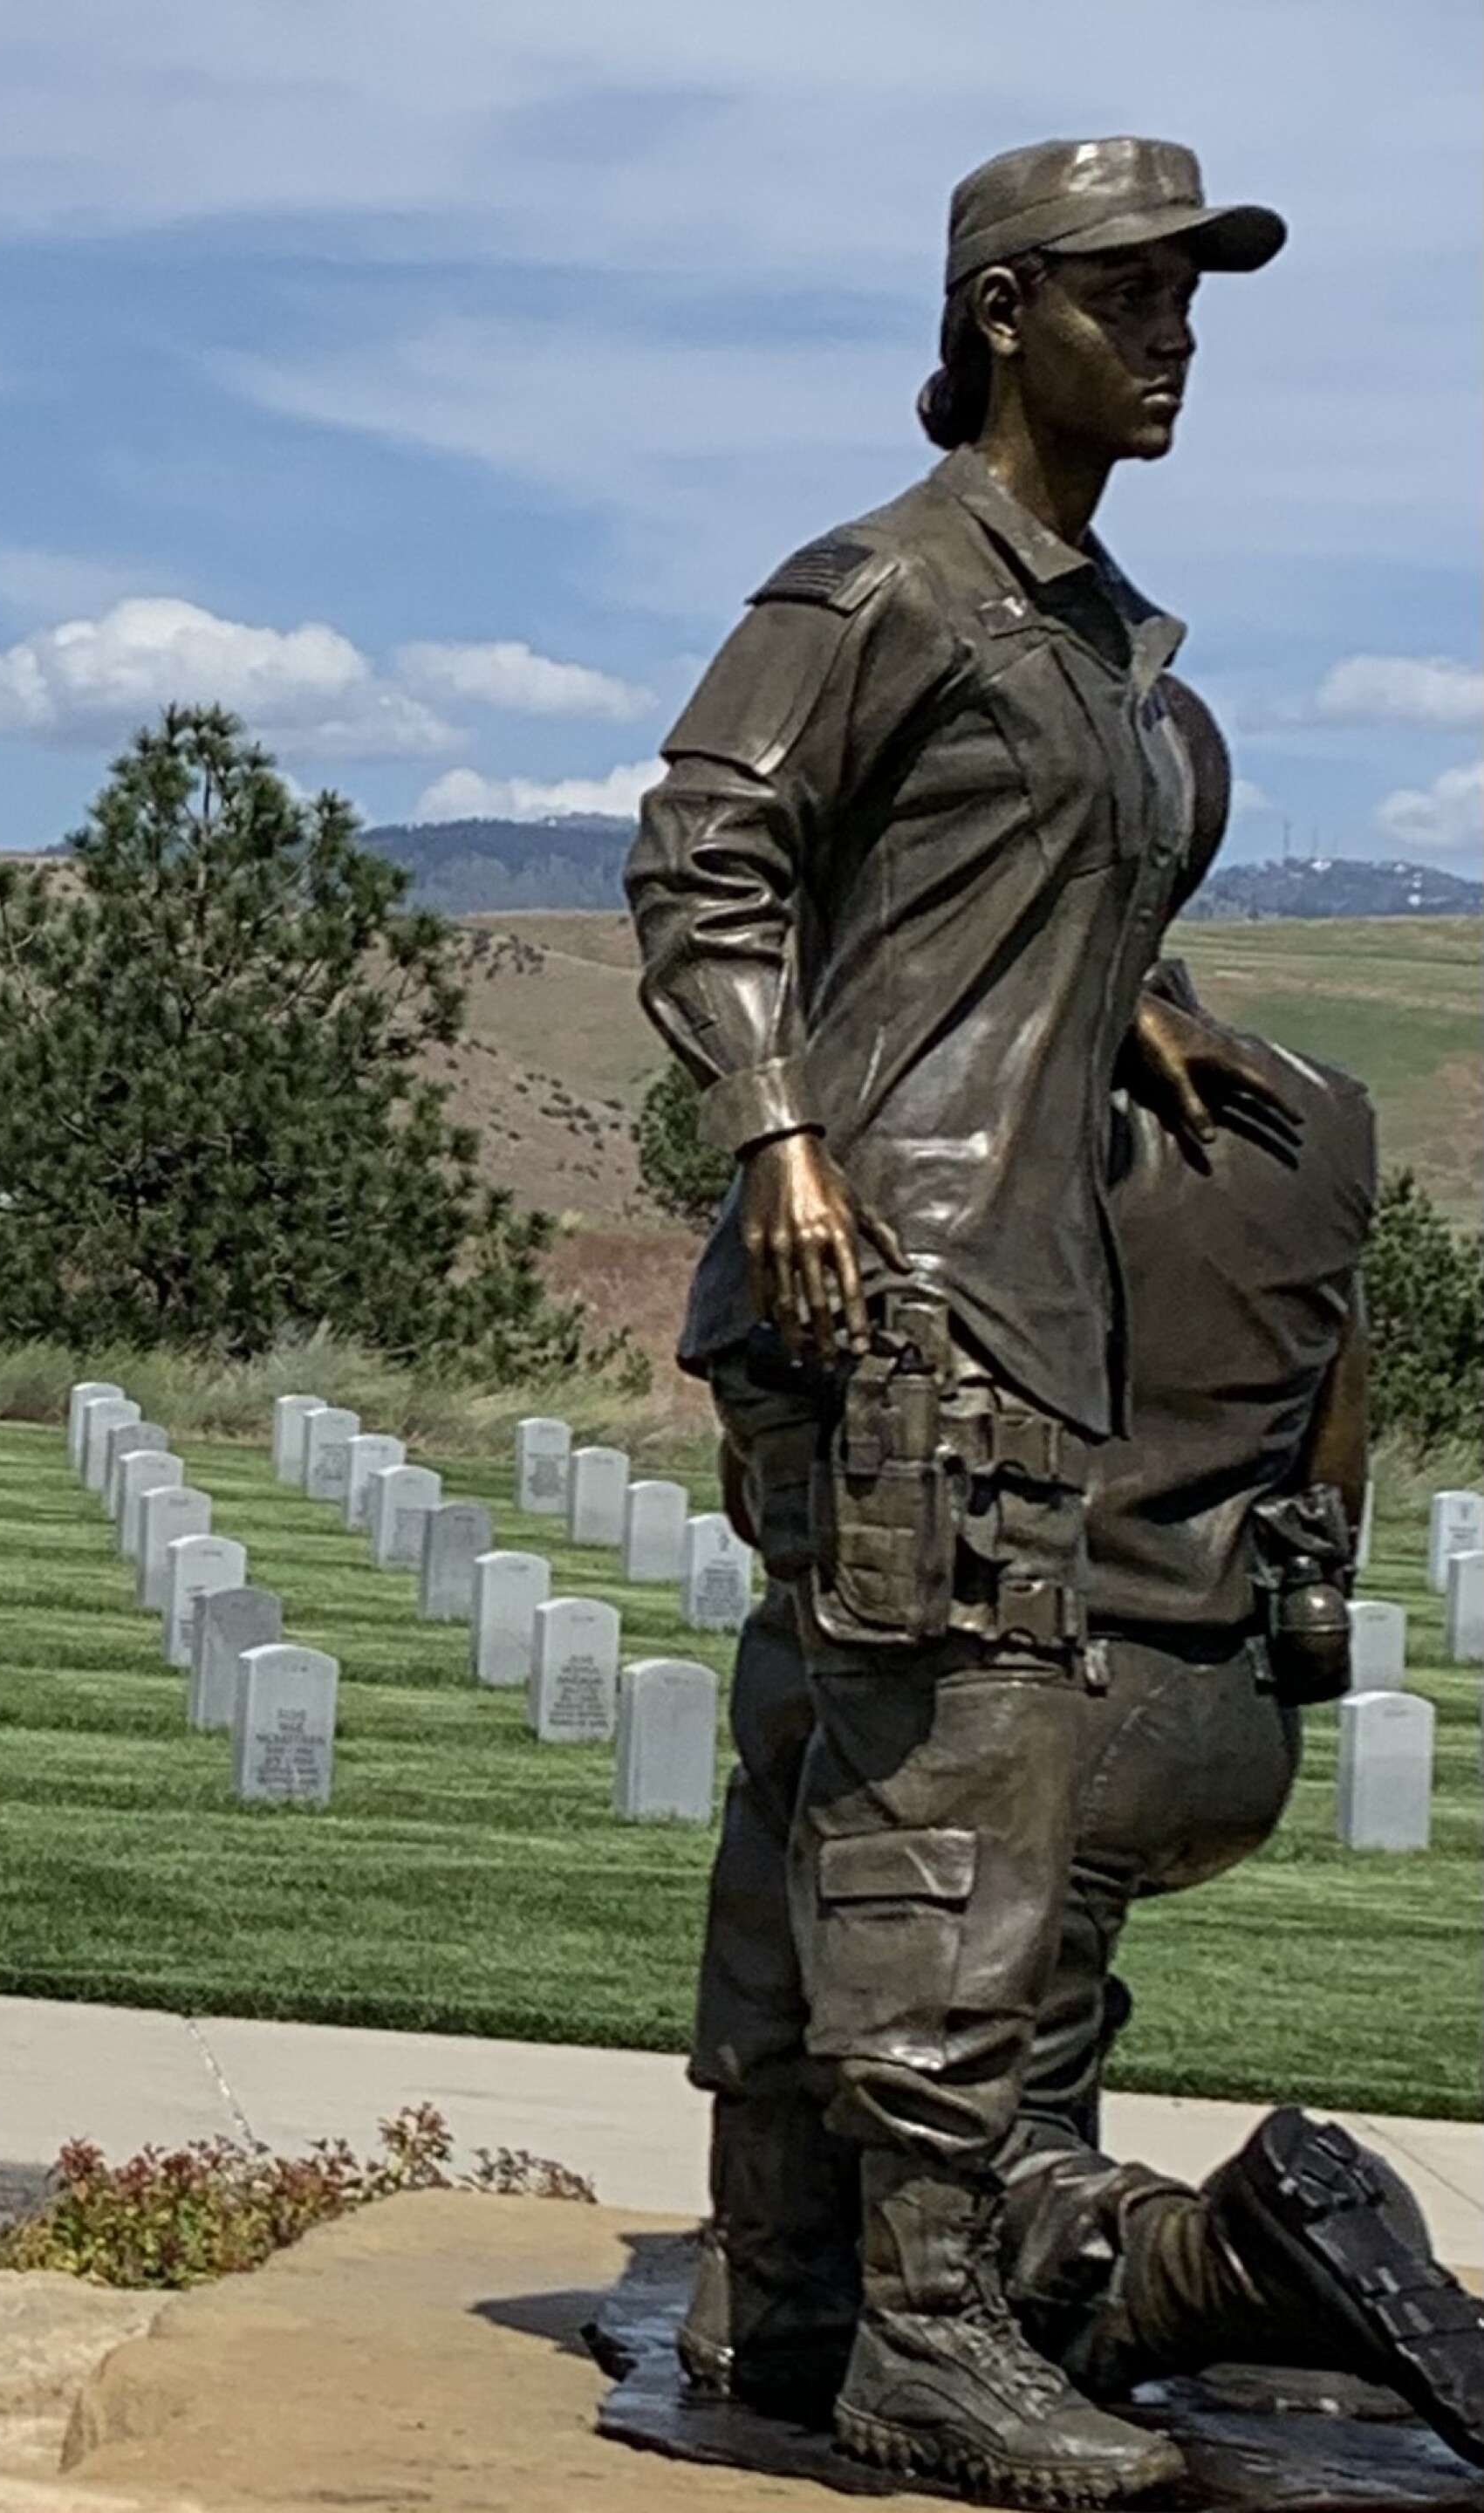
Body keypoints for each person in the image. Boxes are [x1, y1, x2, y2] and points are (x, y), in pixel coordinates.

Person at [627, 134, 1295, 2505]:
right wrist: (780, 1140)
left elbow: (986, 911)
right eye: (1132, 295)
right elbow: (703, 853)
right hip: (908, 1292)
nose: (1175, 338)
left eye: (1192, 297)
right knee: (959, 1803)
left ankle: (782, 2291)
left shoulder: (1096, 634)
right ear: (1005, 313)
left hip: (991, 1275)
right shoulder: (887, 584)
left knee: (822, 1770)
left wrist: (1131, 1007)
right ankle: (925, 2336)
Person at [680, 994, 1484, 2475]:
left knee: (957, 2137)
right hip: (1214, 1688)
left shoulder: (942, 1119)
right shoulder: (1319, 1116)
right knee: (1022, 2045)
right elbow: (1334, 1443)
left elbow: (766, 1442)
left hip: (1006, 1689)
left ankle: (1216, 2263)